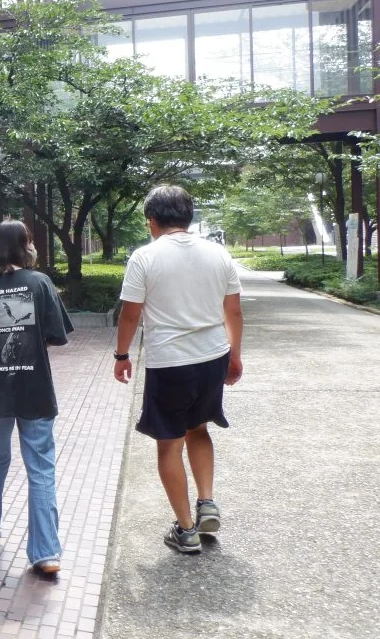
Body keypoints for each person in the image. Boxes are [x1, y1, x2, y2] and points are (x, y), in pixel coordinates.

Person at [113, 185, 243, 554]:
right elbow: (233, 311)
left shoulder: (145, 257)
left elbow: (130, 314)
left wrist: (121, 355)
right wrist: (234, 355)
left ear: (151, 220)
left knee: (169, 444)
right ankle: (207, 502)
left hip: (170, 363)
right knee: (198, 429)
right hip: (212, 357)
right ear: (188, 216)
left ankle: (186, 530)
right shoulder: (218, 253)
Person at [0, 220, 73, 575]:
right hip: (34, 385)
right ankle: (46, 553)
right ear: (26, 246)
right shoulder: (40, 283)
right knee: (41, 466)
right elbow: (57, 335)